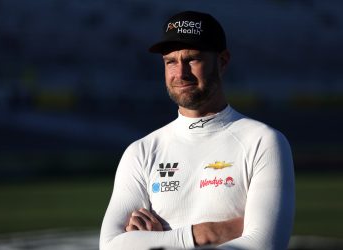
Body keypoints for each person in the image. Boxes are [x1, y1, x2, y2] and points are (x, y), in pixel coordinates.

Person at [100, 10, 295, 250]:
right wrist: (208, 232)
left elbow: (264, 245)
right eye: (170, 62)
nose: (180, 73)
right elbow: (110, 245)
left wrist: (155, 243)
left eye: (193, 59)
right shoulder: (141, 152)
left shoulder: (263, 142)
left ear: (222, 61)